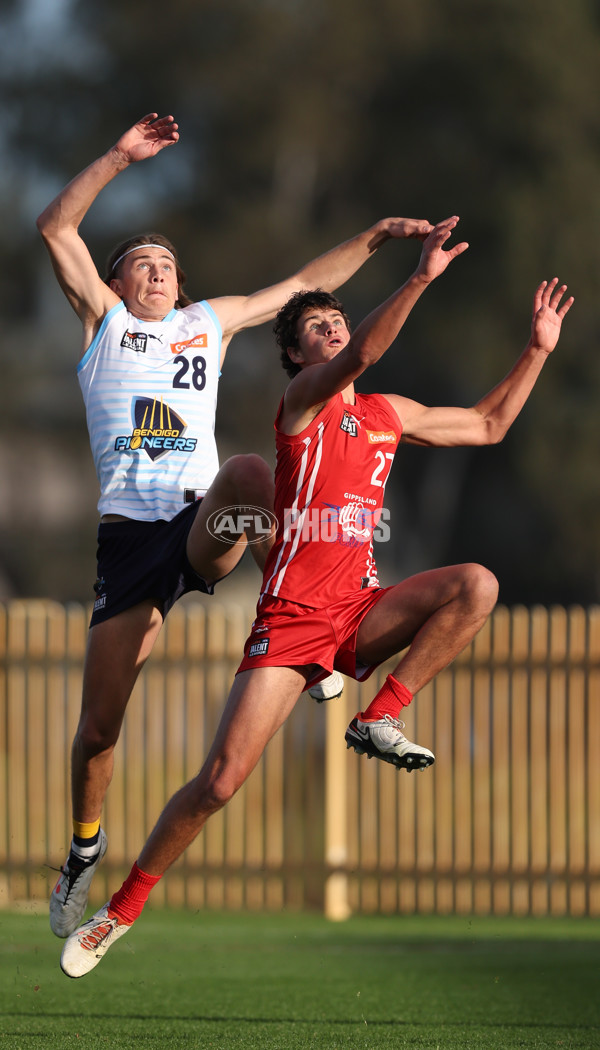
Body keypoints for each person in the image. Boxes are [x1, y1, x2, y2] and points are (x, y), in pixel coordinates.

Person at [58, 216, 573, 977]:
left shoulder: (387, 415)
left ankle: (382, 715)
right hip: (292, 618)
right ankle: (117, 912)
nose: (335, 333)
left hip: (359, 612)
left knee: (477, 585)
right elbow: (365, 348)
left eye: (338, 321)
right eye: (320, 327)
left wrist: (536, 350)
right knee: (219, 782)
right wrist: (418, 278)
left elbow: (490, 424)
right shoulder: (301, 408)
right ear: (298, 355)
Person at [36, 111, 436, 941]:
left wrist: (372, 237)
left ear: (179, 287)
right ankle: (83, 852)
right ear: (112, 286)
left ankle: (295, 620)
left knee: (251, 473)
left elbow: (296, 290)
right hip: (127, 541)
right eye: (139, 262)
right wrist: (119, 156)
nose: (154, 269)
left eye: (165, 262)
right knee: (98, 730)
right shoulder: (104, 327)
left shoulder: (202, 324)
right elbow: (55, 225)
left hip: (200, 521)